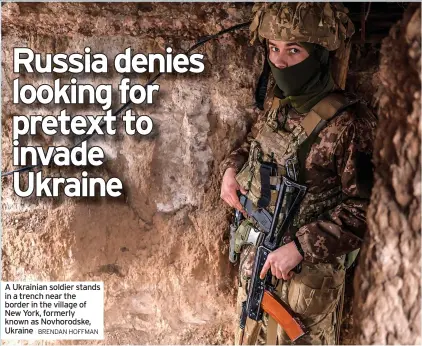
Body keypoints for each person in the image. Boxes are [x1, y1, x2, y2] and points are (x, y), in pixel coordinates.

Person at [219, 3, 377, 345]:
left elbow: (369, 207)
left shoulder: (349, 123)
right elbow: (252, 145)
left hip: (305, 276)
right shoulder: (279, 104)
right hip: (259, 258)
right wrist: (231, 170)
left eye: (293, 50)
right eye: (273, 48)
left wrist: (301, 247)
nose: (279, 61)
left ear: (319, 56)